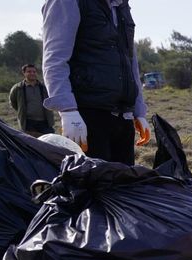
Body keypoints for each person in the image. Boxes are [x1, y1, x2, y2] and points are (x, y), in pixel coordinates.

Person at [41, 0, 150, 164]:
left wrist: (138, 111)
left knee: (123, 185)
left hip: (123, 116)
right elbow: (55, 59)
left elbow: (130, 61)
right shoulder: (67, 2)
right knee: (94, 184)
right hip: (88, 115)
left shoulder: (121, 6)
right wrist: (68, 110)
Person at [8, 64, 55, 137]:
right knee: (31, 144)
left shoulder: (44, 87)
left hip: (45, 121)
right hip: (28, 122)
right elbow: (13, 103)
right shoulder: (18, 88)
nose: (32, 73)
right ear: (24, 73)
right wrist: (22, 110)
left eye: (34, 71)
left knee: (50, 142)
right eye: (29, 71)